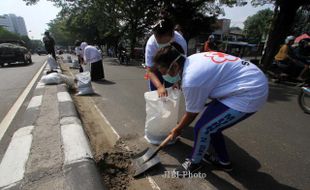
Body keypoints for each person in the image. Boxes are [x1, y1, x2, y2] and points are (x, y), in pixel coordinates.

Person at [153, 42, 268, 176]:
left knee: (203, 128)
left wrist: (178, 129)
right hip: (248, 78)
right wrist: (180, 81)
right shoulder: (192, 60)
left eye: (164, 72)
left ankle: (194, 163)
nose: (163, 75)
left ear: (175, 66)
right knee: (212, 125)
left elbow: (192, 113)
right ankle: (223, 162)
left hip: (250, 92)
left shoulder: (191, 80)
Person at [145, 17, 187, 97]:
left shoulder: (180, 42)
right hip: (156, 69)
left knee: (170, 94)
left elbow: (181, 64)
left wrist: (177, 80)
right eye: (159, 43)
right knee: (156, 95)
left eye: (166, 42)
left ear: (172, 35)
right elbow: (150, 70)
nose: (162, 45)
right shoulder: (151, 44)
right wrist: (159, 86)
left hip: (172, 68)